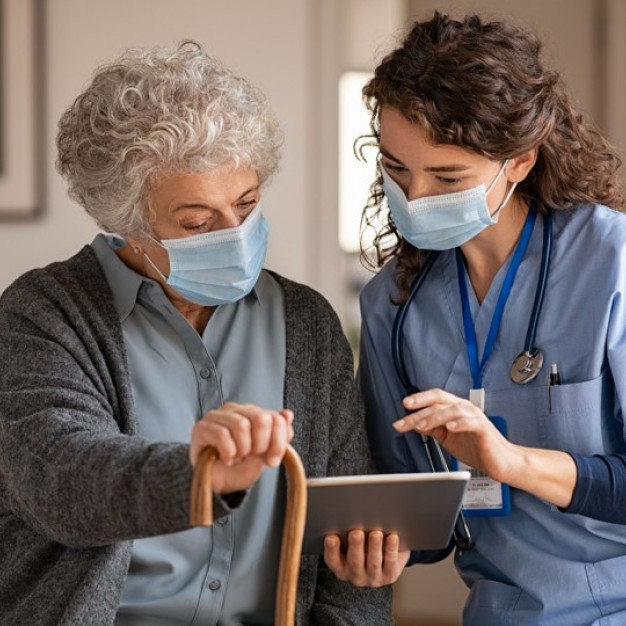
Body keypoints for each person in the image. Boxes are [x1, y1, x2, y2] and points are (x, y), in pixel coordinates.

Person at [0, 41, 393, 625]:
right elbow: (61, 479)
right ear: (124, 225)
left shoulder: (306, 321)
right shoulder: (43, 314)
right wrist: (198, 474)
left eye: (247, 203)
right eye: (197, 222)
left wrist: (366, 565)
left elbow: (344, 527)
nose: (234, 234)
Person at [356, 11, 626, 626]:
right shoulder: (392, 308)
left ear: (521, 162)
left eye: (448, 177)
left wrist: (511, 461)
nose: (415, 198)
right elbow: (422, 525)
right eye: (396, 169)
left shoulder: (613, 265)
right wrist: (376, 549)